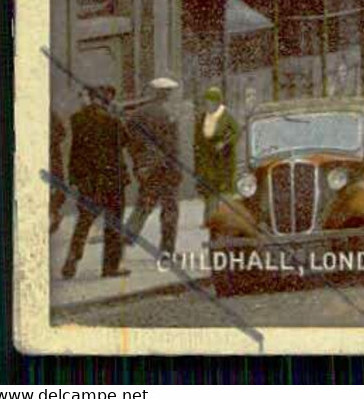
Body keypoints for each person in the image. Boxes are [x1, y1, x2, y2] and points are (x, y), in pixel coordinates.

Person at [62, 86, 132, 279]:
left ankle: (73, 257)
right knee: (113, 223)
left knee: (84, 221)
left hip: (88, 180)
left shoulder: (77, 119)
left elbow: (75, 150)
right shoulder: (112, 120)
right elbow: (126, 139)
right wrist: (119, 117)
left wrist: (74, 178)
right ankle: (110, 267)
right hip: (111, 179)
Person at [125, 77, 183, 258]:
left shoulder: (137, 114)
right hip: (166, 168)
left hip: (147, 169)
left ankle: (126, 237)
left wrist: (139, 163)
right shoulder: (168, 114)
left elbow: (130, 142)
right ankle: (166, 250)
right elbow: (172, 146)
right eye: (169, 92)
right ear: (165, 93)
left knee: (143, 204)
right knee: (170, 208)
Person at [193, 87, 238, 224]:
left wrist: (225, 143)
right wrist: (198, 155)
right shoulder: (201, 118)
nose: (209, 104)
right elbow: (197, 139)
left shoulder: (226, 116)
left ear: (218, 102)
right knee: (209, 190)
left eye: (212, 101)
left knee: (225, 189)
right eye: (207, 101)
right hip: (207, 159)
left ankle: (228, 218)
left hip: (224, 159)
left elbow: (236, 133)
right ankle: (209, 219)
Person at [50, 101, 68, 235]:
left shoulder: (51, 114)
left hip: (52, 157)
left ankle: (54, 214)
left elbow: (62, 133)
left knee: (58, 189)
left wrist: (51, 140)